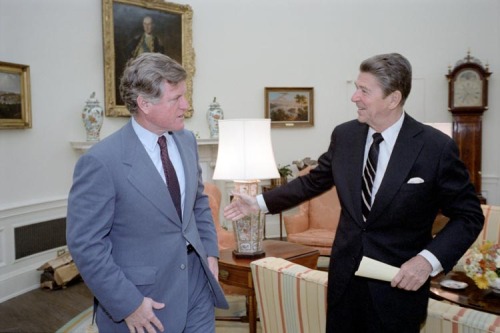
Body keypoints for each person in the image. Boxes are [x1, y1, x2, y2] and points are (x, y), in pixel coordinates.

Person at [224, 53, 484, 333]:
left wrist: (426, 261)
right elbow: (313, 182)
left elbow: (468, 216)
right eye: (356, 88)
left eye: (364, 91)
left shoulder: (435, 148)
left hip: (398, 288)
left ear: (393, 99)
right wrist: (260, 203)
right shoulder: (345, 136)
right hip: (344, 283)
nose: (354, 97)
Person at [67, 52, 228, 333]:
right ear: (145, 104)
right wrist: (128, 304)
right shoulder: (101, 161)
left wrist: (210, 254)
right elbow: (86, 245)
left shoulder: (187, 140)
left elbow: (199, 204)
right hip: (144, 302)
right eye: (175, 98)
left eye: (185, 95)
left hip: (197, 286)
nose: (186, 106)